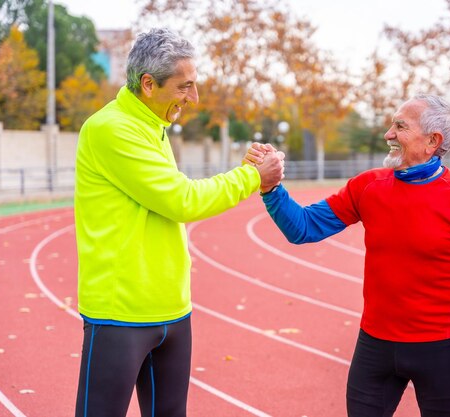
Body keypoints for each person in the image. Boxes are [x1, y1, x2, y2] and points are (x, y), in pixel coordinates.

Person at [251, 94, 450, 416]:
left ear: (432, 141)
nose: (388, 134)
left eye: (400, 126)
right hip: (374, 348)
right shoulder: (367, 187)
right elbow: (303, 228)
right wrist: (271, 188)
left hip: (441, 351)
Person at [73, 28, 284, 417]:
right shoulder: (111, 128)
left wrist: (246, 171)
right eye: (185, 87)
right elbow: (182, 200)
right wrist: (253, 177)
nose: (194, 98)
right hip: (121, 313)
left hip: (172, 308)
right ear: (148, 84)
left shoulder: (154, 125)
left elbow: (173, 197)